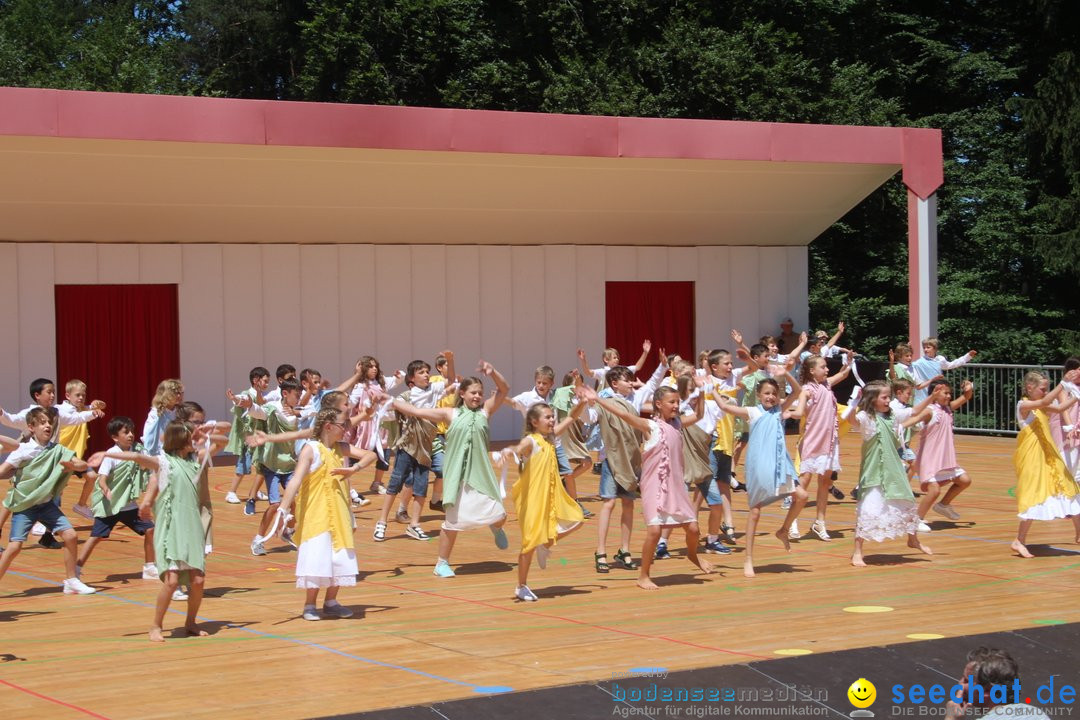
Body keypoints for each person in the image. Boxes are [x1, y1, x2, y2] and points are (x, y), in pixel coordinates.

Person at [94, 419, 229, 641]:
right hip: (171, 527)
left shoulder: (196, 460)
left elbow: (224, 441)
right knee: (172, 581)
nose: (194, 442)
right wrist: (107, 455)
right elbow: (138, 457)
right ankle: (156, 626)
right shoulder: (164, 462)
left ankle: (191, 622)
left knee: (198, 580)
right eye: (190, 439)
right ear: (180, 441)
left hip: (193, 526)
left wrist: (207, 432)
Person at [580, 383, 715, 590]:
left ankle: (692, 555)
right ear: (659, 404)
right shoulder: (650, 426)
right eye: (672, 402)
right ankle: (643, 575)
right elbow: (624, 416)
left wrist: (704, 392)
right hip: (654, 486)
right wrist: (597, 399)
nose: (676, 405)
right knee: (654, 531)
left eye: (678, 401)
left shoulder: (678, 424)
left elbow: (699, 415)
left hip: (676, 487)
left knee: (694, 529)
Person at [390, 362, 510, 577]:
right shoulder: (450, 414)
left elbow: (504, 390)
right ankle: (441, 564)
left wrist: (493, 373)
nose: (477, 396)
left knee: (500, 514)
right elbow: (417, 411)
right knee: (453, 522)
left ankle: (496, 526)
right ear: (462, 393)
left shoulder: (485, 411)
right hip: (458, 475)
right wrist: (393, 402)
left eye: (480, 393)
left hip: (482, 473)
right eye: (473, 392)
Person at [278, 406, 376, 621]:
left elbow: (371, 455)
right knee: (317, 557)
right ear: (329, 426)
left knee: (339, 557)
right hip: (317, 512)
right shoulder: (310, 449)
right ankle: (309, 604)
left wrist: (355, 469)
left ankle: (331, 601)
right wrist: (283, 507)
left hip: (340, 511)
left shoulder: (342, 448)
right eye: (343, 425)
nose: (347, 429)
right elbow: (295, 480)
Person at [714, 371, 804, 577]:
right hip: (759, 466)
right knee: (755, 512)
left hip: (781, 465)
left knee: (802, 496)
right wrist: (711, 390)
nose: (771, 397)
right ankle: (748, 559)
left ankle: (783, 530)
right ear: (758, 394)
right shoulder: (752, 412)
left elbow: (798, 390)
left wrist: (787, 374)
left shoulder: (780, 409)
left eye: (774, 393)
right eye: (766, 393)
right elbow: (726, 407)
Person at [498, 400, 589, 601]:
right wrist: (509, 451)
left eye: (552, 417)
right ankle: (521, 586)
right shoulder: (532, 441)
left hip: (551, 496)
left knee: (577, 519)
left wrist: (583, 402)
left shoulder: (551, 438)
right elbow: (520, 446)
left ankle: (545, 545)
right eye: (547, 417)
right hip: (532, 501)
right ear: (534, 421)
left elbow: (572, 417)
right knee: (528, 545)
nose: (551, 420)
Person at [0, 407, 95, 594]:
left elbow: (83, 465)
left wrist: (72, 465)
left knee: (70, 536)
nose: (47, 426)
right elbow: (3, 470)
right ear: (31, 427)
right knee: (14, 547)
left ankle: (71, 580)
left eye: (49, 423)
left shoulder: (58, 450)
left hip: (46, 505)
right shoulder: (23, 451)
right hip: (25, 506)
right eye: (42, 423)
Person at [843, 381, 932, 567]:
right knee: (867, 510)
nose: (888, 400)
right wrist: (854, 402)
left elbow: (914, 412)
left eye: (888, 397)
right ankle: (857, 552)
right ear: (873, 400)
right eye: (884, 397)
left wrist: (933, 396)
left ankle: (913, 539)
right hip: (873, 472)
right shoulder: (867, 417)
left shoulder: (893, 415)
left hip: (893, 471)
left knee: (906, 502)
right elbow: (851, 420)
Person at [374, 354, 455, 542]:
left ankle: (415, 524)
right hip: (408, 445)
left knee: (420, 486)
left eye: (427, 371)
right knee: (395, 482)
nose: (426, 375)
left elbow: (450, 379)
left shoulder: (434, 389)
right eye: (421, 372)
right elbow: (388, 412)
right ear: (411, 378)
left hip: (426, 445)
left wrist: (450, 361)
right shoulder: (406, 397)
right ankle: (382, 522)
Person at [76, 416, 156, 581]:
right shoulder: (111, 454)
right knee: (95, 537)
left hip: (129, 506)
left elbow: (145, 467)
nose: (130, 435)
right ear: (114, 437)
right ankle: (76, 568)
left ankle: (149, 567)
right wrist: (106, 490)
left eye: (132, 431)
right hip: (110, 506)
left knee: (150, 529)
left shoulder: (137, 450)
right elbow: (102, 478)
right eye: (125, 432)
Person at [1010, 369, 1080, 558]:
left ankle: (1079, 533)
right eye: (1043, 388)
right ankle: (1019, 540)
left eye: (1046, 388)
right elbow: (1044, 402)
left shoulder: (1040, 405)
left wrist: (1076, 396)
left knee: (1068, 487)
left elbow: (1058, 408)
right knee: (1034, 496)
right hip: (1033, 457)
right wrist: (1063, 384)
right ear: (1030, 387)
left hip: (1047, 454)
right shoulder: (1023, 404)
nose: (1045, 391)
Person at [791, 351, 854, 540]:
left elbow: (843, 373)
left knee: (825, 481)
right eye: (823, 367)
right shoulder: (807, 390)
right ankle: (792, 520)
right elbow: (799, 405)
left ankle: (820, 522)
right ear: (812, 371)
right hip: (812, 440)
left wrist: (849, 361)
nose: (827, 369)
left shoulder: (827, 385)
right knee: (805, 480)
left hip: (829, 440)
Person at [910, 379, 975, 523]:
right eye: (946, 393)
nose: (949, 396)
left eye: (950, 393)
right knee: (934, 490)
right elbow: (915, 417)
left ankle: (943, 505)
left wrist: (969, 388)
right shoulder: (930, 410)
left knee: (964, 480)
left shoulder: (948, 408)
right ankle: (917, 519)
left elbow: (966, 397)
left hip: (944, 458)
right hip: (930, 458)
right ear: (936, 393)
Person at [944, 647, 1050, 719]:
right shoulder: (1036, 713)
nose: (960, 683)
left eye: (966, 681)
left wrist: (951, 718)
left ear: (986, 691)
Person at [224, 366, 272, 505]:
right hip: (248, 438)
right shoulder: (247, 394)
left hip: (259, 436)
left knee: (260, 464)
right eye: (265, 381)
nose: (266, 384)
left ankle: (255, 491)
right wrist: (235, 398)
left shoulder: (262, 396)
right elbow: (241, 399)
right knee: (243, 464)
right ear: (256, 380)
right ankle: (231, 492)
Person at [911, 337, 976, 403]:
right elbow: (909, 366)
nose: (925, 349)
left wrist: (967, 357)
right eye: (924, 348)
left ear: (935, 348)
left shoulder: (940, 359)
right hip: (924, 393)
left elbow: (951, 365)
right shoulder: (919, 363)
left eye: (928, 347)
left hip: (939, 390)